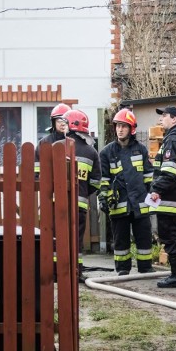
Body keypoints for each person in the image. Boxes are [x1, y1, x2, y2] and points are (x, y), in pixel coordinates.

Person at [98, 109, 155, 275]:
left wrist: (151, 194)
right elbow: (104, 180)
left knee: (144, 238)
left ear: (132, 129)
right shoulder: (106, 152)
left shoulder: (141, 150)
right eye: (118, 126)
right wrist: (103, 198)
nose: (120, 129)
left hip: (140, 204)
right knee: (121, 240)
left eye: (124, 126)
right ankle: (123, 270)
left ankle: (146, 268)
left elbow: (148, 176)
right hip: (119, 205)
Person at [149, 106, 176, 288]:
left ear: (174, 119)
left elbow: (169, 170)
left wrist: (156, 189)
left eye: (164, 116)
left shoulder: (173, 140)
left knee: (170, 236)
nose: (161, 119)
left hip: (170, 199)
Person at [62, 109, 101, 277]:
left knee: (59, 237)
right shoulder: (91, 152)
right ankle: (76, 271)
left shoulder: (58, 147)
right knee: (76, 238)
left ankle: (58, 271)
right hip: (80, 204)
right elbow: (96, 182)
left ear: (71, 126)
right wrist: (83, 192)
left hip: (59, 203)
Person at [35, 103, 71, 175]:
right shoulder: (44, 143)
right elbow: (36, 170)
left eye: (65, 121)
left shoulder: (75, 142)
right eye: (59, 121)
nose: (62, 124)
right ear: (54, 123)